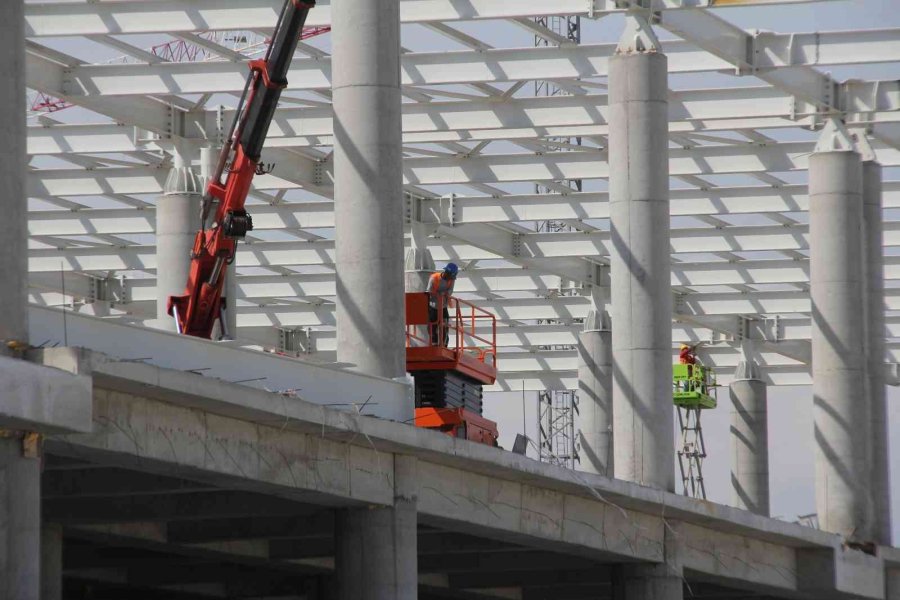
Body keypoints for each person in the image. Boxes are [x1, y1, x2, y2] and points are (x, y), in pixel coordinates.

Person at [426, 262, 458, 346]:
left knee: (445, 325)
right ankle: (434, 343)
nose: (450, 279)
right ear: (447, 273)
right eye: (450, 276)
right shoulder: (434, 277)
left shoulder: (451, 280)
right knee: (432, 325)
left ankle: (444, 344)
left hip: (443, 306)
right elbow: (429, 291)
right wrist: (438, 294)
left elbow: (450, 291)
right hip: (433, 306)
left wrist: (443, 294)